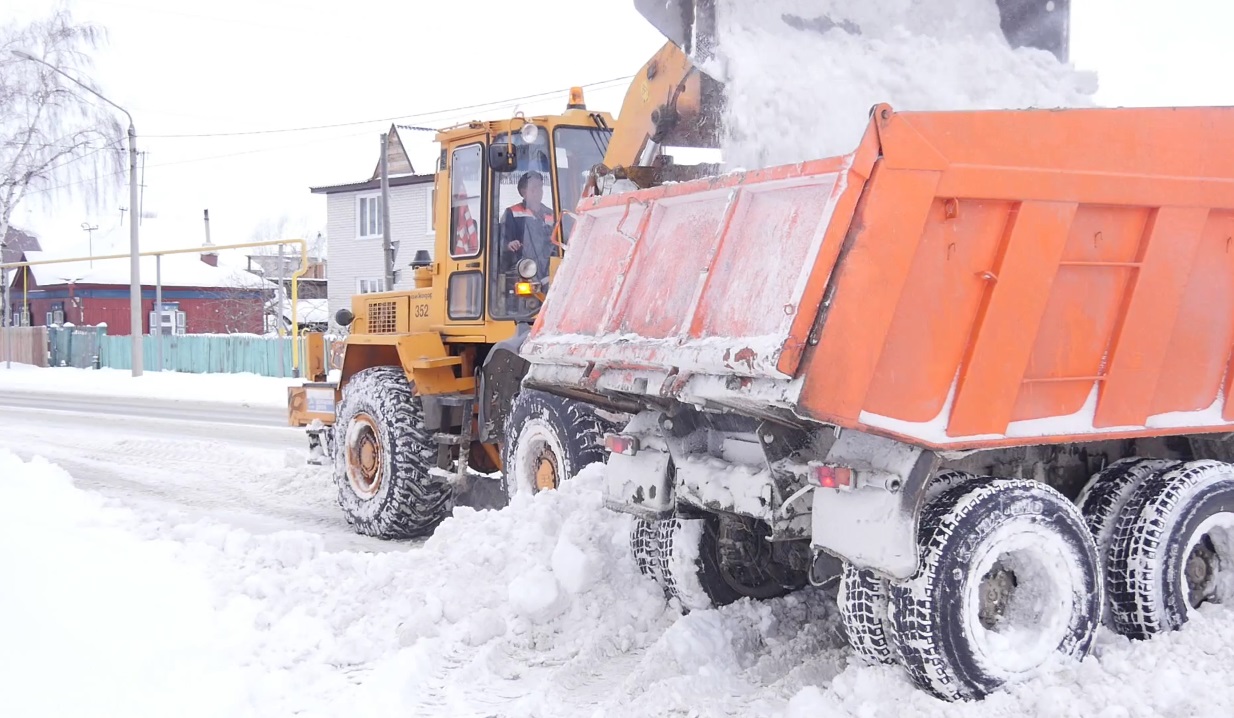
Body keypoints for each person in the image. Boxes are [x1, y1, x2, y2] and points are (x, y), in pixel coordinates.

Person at [500, 171, 555, 282]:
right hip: (524, 271)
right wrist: (509, 244)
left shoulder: (551, 214)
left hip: (550, 270)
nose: (538, 191)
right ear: (523, 192)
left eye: (540, 187)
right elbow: (502, 240)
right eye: (534, 188)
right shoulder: (512, 213)